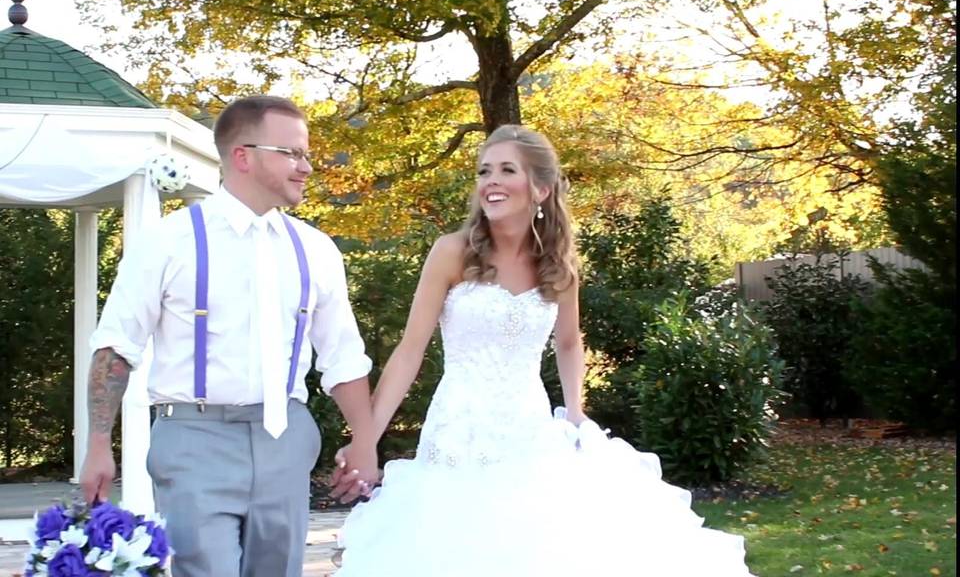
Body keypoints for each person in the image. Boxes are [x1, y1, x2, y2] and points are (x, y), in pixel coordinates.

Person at [329, 124, 757, 576]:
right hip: (457, 432)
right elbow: (410, 351)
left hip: (529, 432)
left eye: (506, 170)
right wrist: (366, 438)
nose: (490, 181)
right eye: (483, 171)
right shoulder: (451, 252)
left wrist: (575, 413)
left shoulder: (558, 263)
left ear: (540, 188)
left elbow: (569, 343)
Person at [79, 95, 377, 577]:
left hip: (286, 438)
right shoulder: (166, 240)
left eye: (305, 154)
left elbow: (343, 357)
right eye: (292, 153)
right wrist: (97, 445)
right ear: (243, 155)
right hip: (193, 438)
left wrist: (364, 442)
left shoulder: (316, 250)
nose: (305, 167)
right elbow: (117, 346)